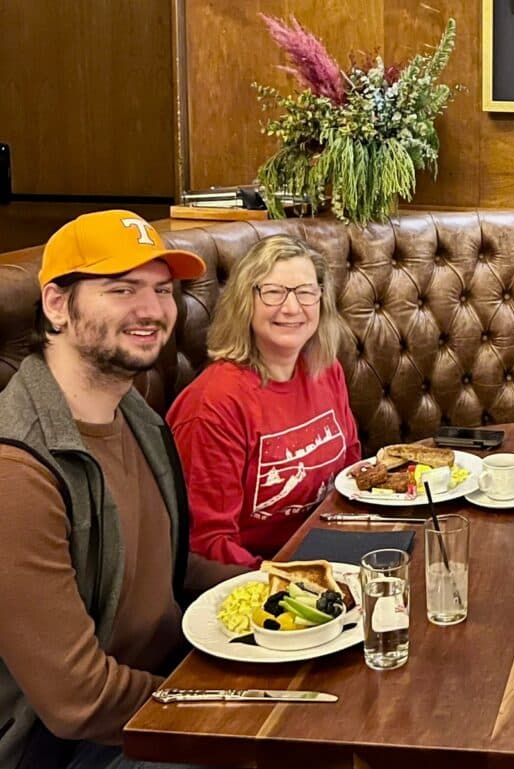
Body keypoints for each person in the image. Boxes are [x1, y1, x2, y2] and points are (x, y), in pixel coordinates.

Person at [0, 210, 245, 769]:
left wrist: (282, 582)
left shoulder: (134, 412)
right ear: (57, 305)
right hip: (73, 745)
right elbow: (77, 701)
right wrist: (228, 709)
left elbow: (168, 570)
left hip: (166, 677)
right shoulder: (17, 471)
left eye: (162, 289)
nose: (152, 309)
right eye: (122, 288)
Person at [167, 235, 361, 568]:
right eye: (273, 292)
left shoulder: (325, 369)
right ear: (245, 302)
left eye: (305, 292)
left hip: (333, 550)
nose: (291, 308)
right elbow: (206, 544)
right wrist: (291, 581)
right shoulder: (213, 404)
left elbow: (351, 472)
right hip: (257, 578)